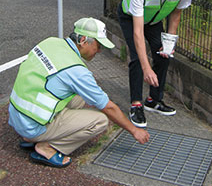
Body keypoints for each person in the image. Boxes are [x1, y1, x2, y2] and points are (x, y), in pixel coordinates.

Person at [8, 17, 150, 168]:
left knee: (79, 97)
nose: (100, 50)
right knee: (100, 121)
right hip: (32, 126)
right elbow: (108, 107)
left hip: (17, 114)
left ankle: (30, 136)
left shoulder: (51, 42)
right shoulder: (77, 71)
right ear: (83, 40)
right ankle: (46, 147)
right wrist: (134, 130)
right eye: (98, 44)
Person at [117, 0, 194, 128]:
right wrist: (146, 68)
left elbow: (175, 16)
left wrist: (169, 43)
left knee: (163, 54)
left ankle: (154, 100)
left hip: (153, 20)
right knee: (138, 57)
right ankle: (136, 104)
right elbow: (138, 32)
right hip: (131, 18)